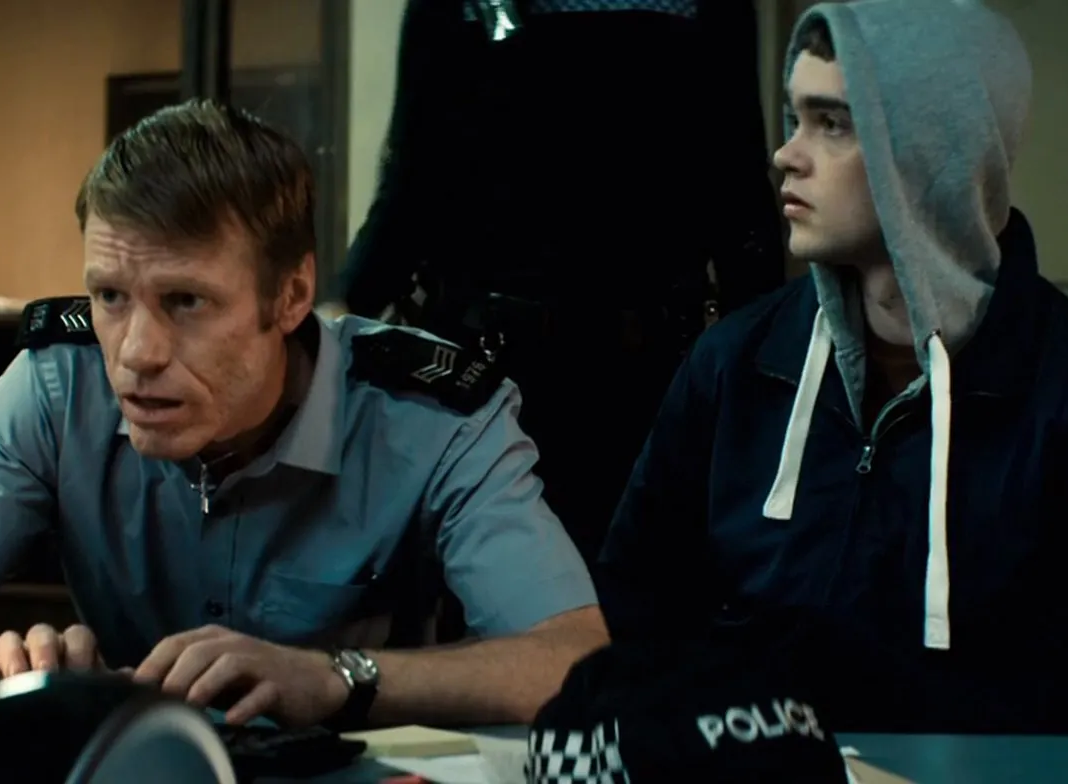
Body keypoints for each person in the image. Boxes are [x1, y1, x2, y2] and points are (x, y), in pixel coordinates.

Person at [0, 100, 609, 730]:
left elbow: (573, 659)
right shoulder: (54, 388)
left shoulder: (431, 417)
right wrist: (13, 683)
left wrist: (337, 679)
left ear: (292, 296)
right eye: (110, 296)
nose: (136, 354)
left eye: (187, 301)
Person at [595, 0, 1068, 736]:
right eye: (795, 117)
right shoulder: (735, 367)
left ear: (929, 152)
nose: (786, 154)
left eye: (833, 124)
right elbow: (629, 615)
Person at [322, 0, 786, 563]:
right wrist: (332, 325)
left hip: (649, 377)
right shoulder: (453, 9)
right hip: (483, 376)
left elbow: (740, 202)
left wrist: (767, 382)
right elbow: (409, 189)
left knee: (636, 589)